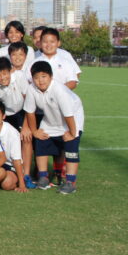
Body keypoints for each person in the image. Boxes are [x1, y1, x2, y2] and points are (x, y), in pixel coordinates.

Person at [24, 61, 84, 194]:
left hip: (72, 119)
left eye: (44, 76)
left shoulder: (59, 90)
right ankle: (43, 178)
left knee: (71, 147)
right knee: (41, 141)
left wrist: (72, 133)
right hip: (51, 118)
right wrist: (34, 131)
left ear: (51, 76)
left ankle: (70, 182)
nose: (40, 80)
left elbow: (69, 114)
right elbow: (30, 112)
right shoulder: (31, 89)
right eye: (36, 77)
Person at [0, 99, 28, 192]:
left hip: (9, 165)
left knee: (7, 184)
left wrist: (22, 184)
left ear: (4, 116)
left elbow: (16, 160)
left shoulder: (12, 133)